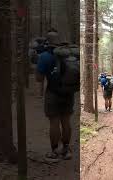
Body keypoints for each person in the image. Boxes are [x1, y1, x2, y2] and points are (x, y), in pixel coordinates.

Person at [36, 31, 77, 162]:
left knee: (54, 122)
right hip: (69, 92)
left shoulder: (44, 56)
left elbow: (38, 78)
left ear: (47, 41)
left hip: (52, 93)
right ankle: (66, 150)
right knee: (66, 121)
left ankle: (54, 151)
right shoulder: (71, 56)